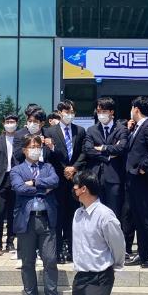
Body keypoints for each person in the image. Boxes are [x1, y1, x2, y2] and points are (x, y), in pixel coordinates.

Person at [10, 134, 66, 295]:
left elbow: (55, 181)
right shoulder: (17, 170)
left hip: (46, 219)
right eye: (32, 147)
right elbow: (19, 188)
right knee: (28, 262)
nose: (35, 150)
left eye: (38, 147)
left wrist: (34, 182)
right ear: (24, 150)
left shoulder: (47, 167)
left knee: (50, 260)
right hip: (26, 220)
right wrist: (43, 189)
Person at [44, 100, 85, 264]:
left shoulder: (80, 131)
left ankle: (73, 251)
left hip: (74, 179)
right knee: (58, 217)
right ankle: (58, 250)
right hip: (58, 179)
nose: (70, 115)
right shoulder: (49, 131)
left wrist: (73, 168)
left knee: (73, 216)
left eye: (72, 112)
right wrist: (64, 167)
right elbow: (49, 156)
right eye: (67, 111)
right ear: (60, 112)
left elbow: (83, 153)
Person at [124, 96, 148, 268]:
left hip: (143, 180)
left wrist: (143, 167)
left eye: (132, 108)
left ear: (136, 109)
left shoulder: (147, 126)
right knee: (138, 218)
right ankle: (143, 253)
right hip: (133, 180)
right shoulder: (137, 127)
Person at [83, 98, 129, 225]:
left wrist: (103, 148)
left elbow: (121, 148)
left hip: (114, 178)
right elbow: (88, 150)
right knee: (94, 214)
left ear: (111, 112)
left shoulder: (121, 129)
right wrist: (107, 157)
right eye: (98, 111)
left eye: (104, 111)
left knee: (113, 214)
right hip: (95, 177)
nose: (101, 114)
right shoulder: (92, 130)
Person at [0, 113, 18, 255]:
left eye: (13, 121)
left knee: (13, 213)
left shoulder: (21, 139)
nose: (10, 124)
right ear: (3, 123)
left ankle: (10, 242)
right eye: (8, 121)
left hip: (16, 178)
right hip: (1, 179)